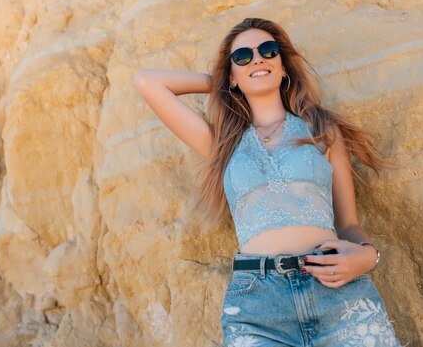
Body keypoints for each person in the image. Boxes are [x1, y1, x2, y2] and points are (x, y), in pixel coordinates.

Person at [133, 17, 404, 346]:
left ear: (284, 66)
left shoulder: (323, 131)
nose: (257, 59)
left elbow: (348, 223)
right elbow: (147, 82)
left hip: (339, 293)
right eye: (242, 56)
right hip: (259, 307)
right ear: (231, 76)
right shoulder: (222, 144)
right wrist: (225, 79)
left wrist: (367, 256)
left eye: (268, 51)